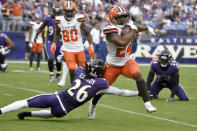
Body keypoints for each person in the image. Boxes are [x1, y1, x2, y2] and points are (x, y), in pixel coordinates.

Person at [0, 59, 138, 120]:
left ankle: (1, 111)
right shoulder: (100, 85)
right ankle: (29, 115)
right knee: (51, 114)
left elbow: (76, 67)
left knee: (25, 102)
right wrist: (139, 93)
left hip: (58, 97)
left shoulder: (80, 72)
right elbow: (121, 92)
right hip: (63, 111)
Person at [88, 6, 157, 120]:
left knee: (138, 75)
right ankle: (92, 106)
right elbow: (122, 42)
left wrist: (146, 27)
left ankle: (147, 104)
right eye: (119, 17)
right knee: (101, 89)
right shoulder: (109, 29)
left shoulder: (128, 25)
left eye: (124, 16)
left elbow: (136, 26)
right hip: (112, 65)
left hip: (127, 61)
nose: (123, 19)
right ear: (113, 19)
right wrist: (134, 29)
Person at [51, 0, 94, 84]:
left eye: (71, 11)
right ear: (64, 11)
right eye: (67, 11)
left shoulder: (79, 19)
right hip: (67, 49)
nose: (69, 13)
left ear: (74, 11)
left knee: (83, 70)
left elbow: (87, 32)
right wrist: (54, 43)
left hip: (79, 48)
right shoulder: (59, 20)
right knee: (72, 70)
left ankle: (83, 86)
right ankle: (73, 88)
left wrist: (91, 44)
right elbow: (56, 32)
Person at [35, 5, 63, 82]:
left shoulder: (62, 19)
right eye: (56, 13)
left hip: (58, 41)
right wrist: (36, 35)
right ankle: (51, 75)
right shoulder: (48, 19)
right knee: (51, 58)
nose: (57, 14)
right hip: (50, 41)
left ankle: (58, 74)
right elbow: (41, 27)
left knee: (59, 59)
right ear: (53, 12)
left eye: (58, 13)